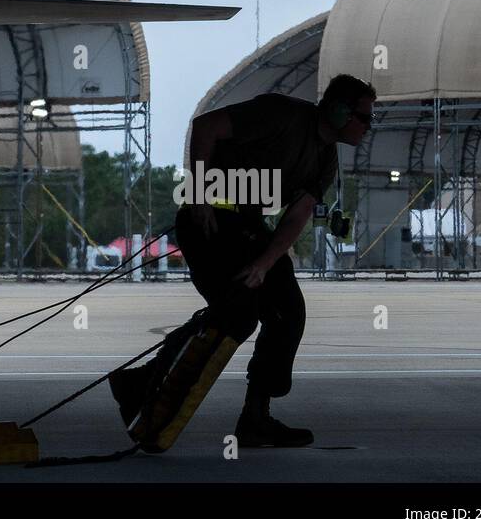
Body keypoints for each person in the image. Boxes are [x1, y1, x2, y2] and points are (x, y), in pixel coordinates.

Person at [111, 74, 376, 448]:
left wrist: (266, 263)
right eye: (364, 117)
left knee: (287, 311)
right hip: (210, 220)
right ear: (337, 111)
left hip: (248, 226)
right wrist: (200, 194)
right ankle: (142, 382)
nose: (368, 127)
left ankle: (255, 417)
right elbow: (206, 127)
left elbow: (298, 214)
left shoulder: (325, 158)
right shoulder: (281, 114)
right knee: (236, 313)